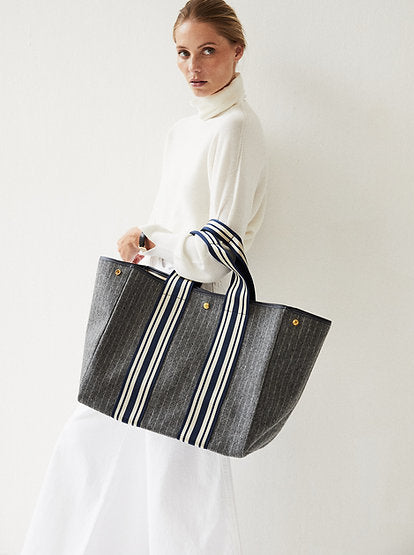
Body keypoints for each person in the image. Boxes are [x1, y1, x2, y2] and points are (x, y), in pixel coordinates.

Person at [21, 1, 267, 553]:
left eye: (208, 50)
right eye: (183, 53)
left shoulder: (236, 129)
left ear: (237, 51)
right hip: (155, 302)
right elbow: (184, 228)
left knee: (179, 467)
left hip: (196, 314)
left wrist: (154, 238)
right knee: (100, 439)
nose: (194, 66)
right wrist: (149, 240)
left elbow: (218, 253)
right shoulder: (184, 131)